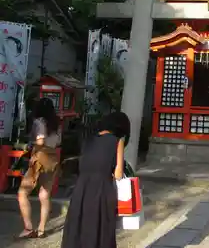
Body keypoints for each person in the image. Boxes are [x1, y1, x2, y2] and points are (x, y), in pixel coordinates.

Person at [61, 111, 130, 248]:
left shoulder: (88, 140)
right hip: (102, 189)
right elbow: (118, 174)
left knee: (80, 225)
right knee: (100, 227)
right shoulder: (117, 141)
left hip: (82, 189)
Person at [17, 98, 61, 239]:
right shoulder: (56, 124)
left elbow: (40, 141)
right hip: (53, 158)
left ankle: (29, 227)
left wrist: (31, 143)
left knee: (22, 193)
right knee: (44, 194)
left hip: (40, 157)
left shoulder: (39, 122)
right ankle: (41, 229)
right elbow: (58, 141)